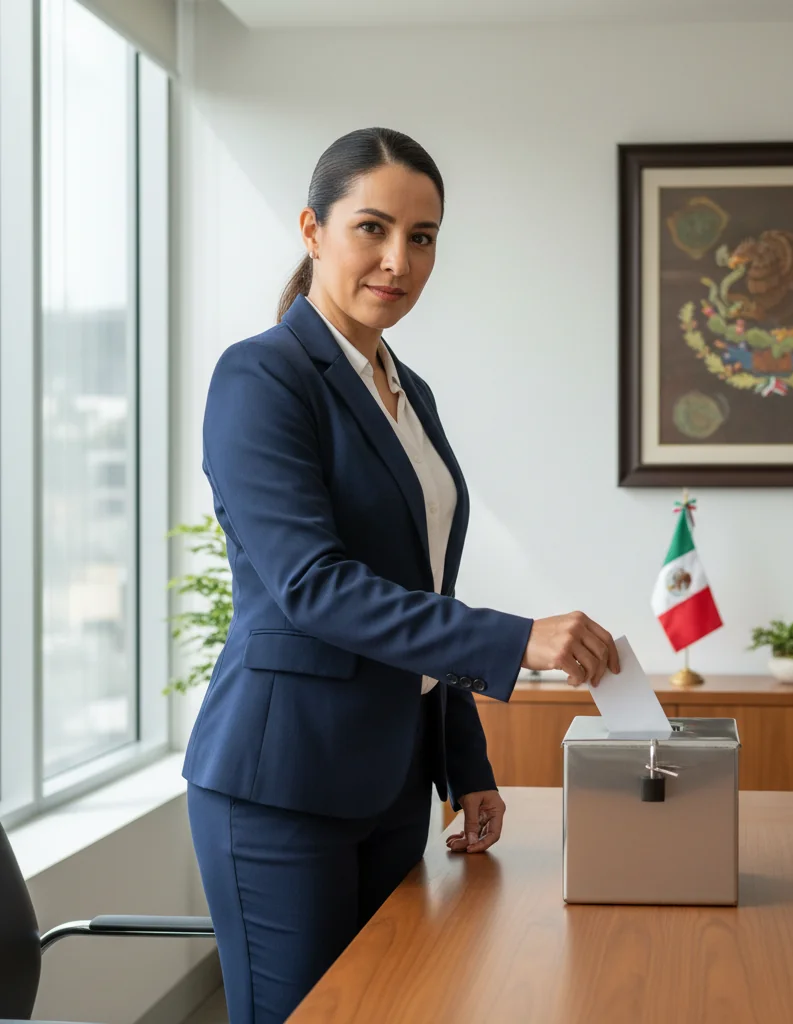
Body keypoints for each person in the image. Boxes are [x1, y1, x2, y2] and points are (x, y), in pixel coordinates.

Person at [182, 127, 620, 1024]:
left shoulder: (407, 390)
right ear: (313, 230)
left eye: (422, 238)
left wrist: (464, 763)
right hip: (282, 783)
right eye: (373, 229)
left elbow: (420, 597)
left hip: (389, 780)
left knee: (387, 1010)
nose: (398, 260)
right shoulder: (261, 377)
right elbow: (314, 586)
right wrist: (518, 640)